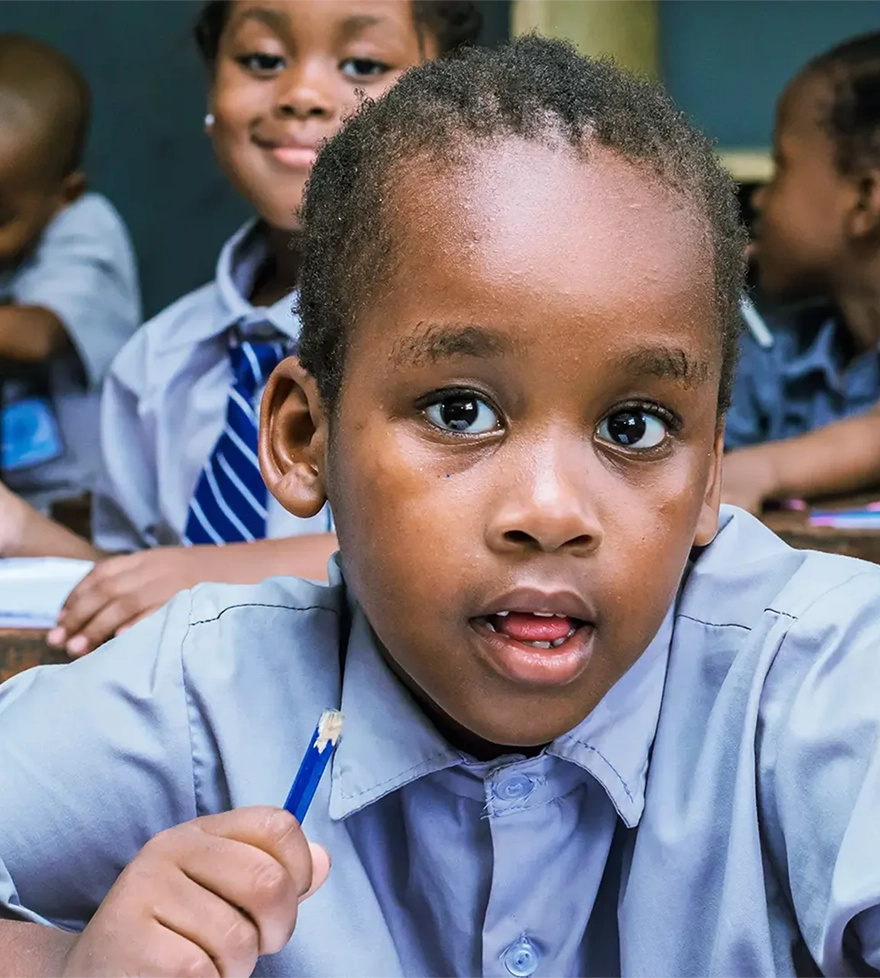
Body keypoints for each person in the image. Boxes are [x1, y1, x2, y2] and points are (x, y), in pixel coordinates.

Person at [4, 36, 880, 978]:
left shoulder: (814, 681)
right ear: (305, 439)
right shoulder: (206, 694)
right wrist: (67, 967)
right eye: (460, 410)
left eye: (635, 426)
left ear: (710, 476)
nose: (552, 511)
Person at [0, 0, 482, 657]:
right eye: (262, 60)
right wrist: (22, 529)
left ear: (446, 100)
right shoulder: (157, 364)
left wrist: (213, 574)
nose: (303, 94)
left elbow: (474, 546)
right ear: (212, 90)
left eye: (363, 64)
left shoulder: (477, 336)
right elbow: (138, 590)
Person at [724, 32, 880, 512]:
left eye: (781, 166)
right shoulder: (774, 357)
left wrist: (764, 469)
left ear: (863, 199)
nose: (760, 199)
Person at [0, 34, 140, 510]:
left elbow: (38, 335)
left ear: (65, 193)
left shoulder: (85, 226)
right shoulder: (37, 204)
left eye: (0, 218)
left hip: (85, 498)